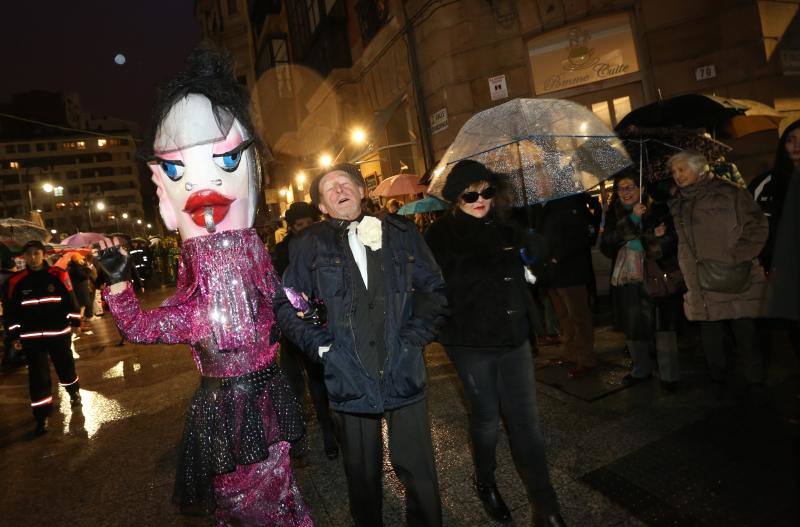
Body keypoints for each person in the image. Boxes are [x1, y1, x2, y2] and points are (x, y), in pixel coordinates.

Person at [97, 47, 311, 526]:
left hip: (267, 394)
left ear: (252, 172)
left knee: (280, 490)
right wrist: (118, 287)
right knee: (241, 502)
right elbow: (141, 327)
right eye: (176, 169)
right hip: (225, 408)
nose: (202, 181)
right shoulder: (195, 297)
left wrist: (308, 306)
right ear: (162, 191)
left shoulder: (256, 263)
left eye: (226, 159)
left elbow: (277, 296)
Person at [276, 163, 448, 527]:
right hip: (348, 374)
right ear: (323, 206)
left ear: (361, 190)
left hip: (402, 367)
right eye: (329, 189)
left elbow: (434, 288)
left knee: (419, 472)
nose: (339, 190)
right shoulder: (309, 244)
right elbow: (288, 302)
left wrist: (414, 339)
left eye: (345, 183)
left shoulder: (402, 232)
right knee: (363, 479)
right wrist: (323, 349)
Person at [424, 160, 565, 527]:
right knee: (486, 419)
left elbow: (538, 275)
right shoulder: (440, 236)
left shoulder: (507, 226)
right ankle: (485, 482)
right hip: (470, 343)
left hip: (514, 336)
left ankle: (545, 506)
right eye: (470, 194)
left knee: (526, 423)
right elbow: (433, 290)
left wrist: (534, 251)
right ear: (456, 198)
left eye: (487, 191)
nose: (480, 199)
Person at [668, 151, 768, 390]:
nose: (677, 176)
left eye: (682, 169)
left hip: (734, 273)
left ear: (700, 168)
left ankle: (755, 377)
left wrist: (738, 256)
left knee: (743, 327)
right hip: (699, 278)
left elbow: (757, 224)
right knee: (709, 330)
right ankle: (718, 378)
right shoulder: (677, 202)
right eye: (674, 172)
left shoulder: (730, 192)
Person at [600, 172, 682, 388]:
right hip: (628, 280)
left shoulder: (659, 208)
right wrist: (634, 220)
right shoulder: (613, 213)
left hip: (656, 277)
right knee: (633, 325)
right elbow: (607, 244)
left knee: (663, 326)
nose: (625, 192)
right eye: (621, 188)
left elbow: (670, 241)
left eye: (630, 186)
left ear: (642, 188)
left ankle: (669, 374)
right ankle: (640, 369)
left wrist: (643, 242)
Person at [273, 201, 339, 462]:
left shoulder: (329, 240)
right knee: (316, 383)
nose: (305, 229)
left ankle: (342, 427)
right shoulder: (282, 251)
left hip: (333, 322)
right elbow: (283, 292)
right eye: (299, 226)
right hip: (304, 328)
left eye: (308, 224)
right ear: (291, 228)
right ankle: (328, 435)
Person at [4, 240, 82, 435]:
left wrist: (75, 322)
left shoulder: (58, 275)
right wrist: (14, 335)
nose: (33, 257)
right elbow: (11, 312)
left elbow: (70, 299)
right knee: (38, 376)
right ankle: (41, 415)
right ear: (24, 257)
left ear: (43, 254)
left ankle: (74, 392)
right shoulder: (15, 281)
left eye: (36, 253)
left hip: (58, 333)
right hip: (31, 337)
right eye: (28, 254)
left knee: (65, 366)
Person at [539, 193, 597, 377]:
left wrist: (557, 257)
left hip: (571, 270)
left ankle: (586, 359)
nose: (540, 184)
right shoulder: (544, 205)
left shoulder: (570, 202)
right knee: (563, 316)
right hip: (552, 272)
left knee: (578, 316)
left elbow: (579, 235)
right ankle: (570, 352)